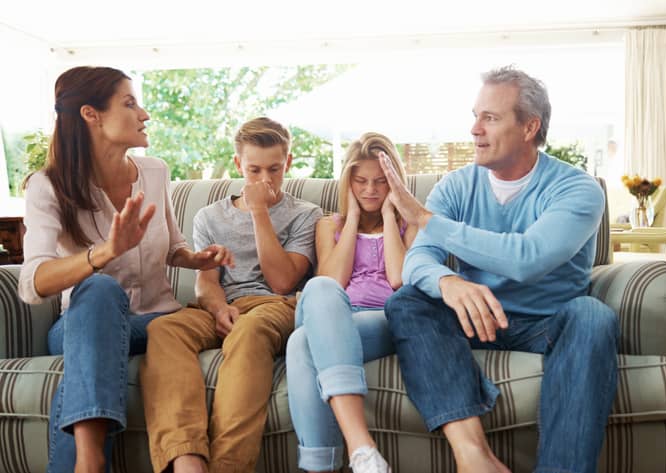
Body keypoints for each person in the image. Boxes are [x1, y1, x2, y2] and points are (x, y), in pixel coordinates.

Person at [378, 66, 619, 473]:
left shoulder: (577, 188)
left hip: (547, 324)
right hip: (476, 320)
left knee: (593, 315)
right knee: (408, 301)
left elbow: (527, 257)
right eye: (475, 116)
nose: (475, 129)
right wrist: (447, 281)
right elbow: (418, 260)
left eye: (489, 118)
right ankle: (474, 456)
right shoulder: (456, 185)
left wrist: (426, 219)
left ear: (529, 127)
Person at [17, 66, 233, 473]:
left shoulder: (155, 172)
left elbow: (174, 248)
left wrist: (195, 259)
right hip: (84, 323)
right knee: (99, 289)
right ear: (90, 114)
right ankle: (91, 459)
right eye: (130, 103)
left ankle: (86, 463)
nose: (144, 114)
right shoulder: (47, 186)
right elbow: (32, 285)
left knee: (103, 347)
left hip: (156, 323)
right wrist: (105, 252)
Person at [140, 117, 323, 473]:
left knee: (249, 331)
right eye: (254, 170)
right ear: (238, 164)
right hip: (221, 306)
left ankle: (228, 466)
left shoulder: (306, 215)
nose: (265, 180)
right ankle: (186, 457)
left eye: (274, 169)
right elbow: (206, 282)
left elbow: (283, 280)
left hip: (275, 305)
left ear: (288, 162)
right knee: (163, 330)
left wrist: (259, 211)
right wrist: (218, 305)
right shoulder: (209, 216)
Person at [286, 132, 418, 473]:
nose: (370, 190)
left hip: (386, 319)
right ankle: (361, 453)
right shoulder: (328, 225)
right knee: (319, 288)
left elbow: (400, 279)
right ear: (348, 182)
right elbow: (331, 279)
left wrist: (390, 218)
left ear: (394, 181)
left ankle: (335, 462)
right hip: (335, 316)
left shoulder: (412, 223)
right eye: (360, 181)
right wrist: (354, 219)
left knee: (301, 342)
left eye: (380, 181)